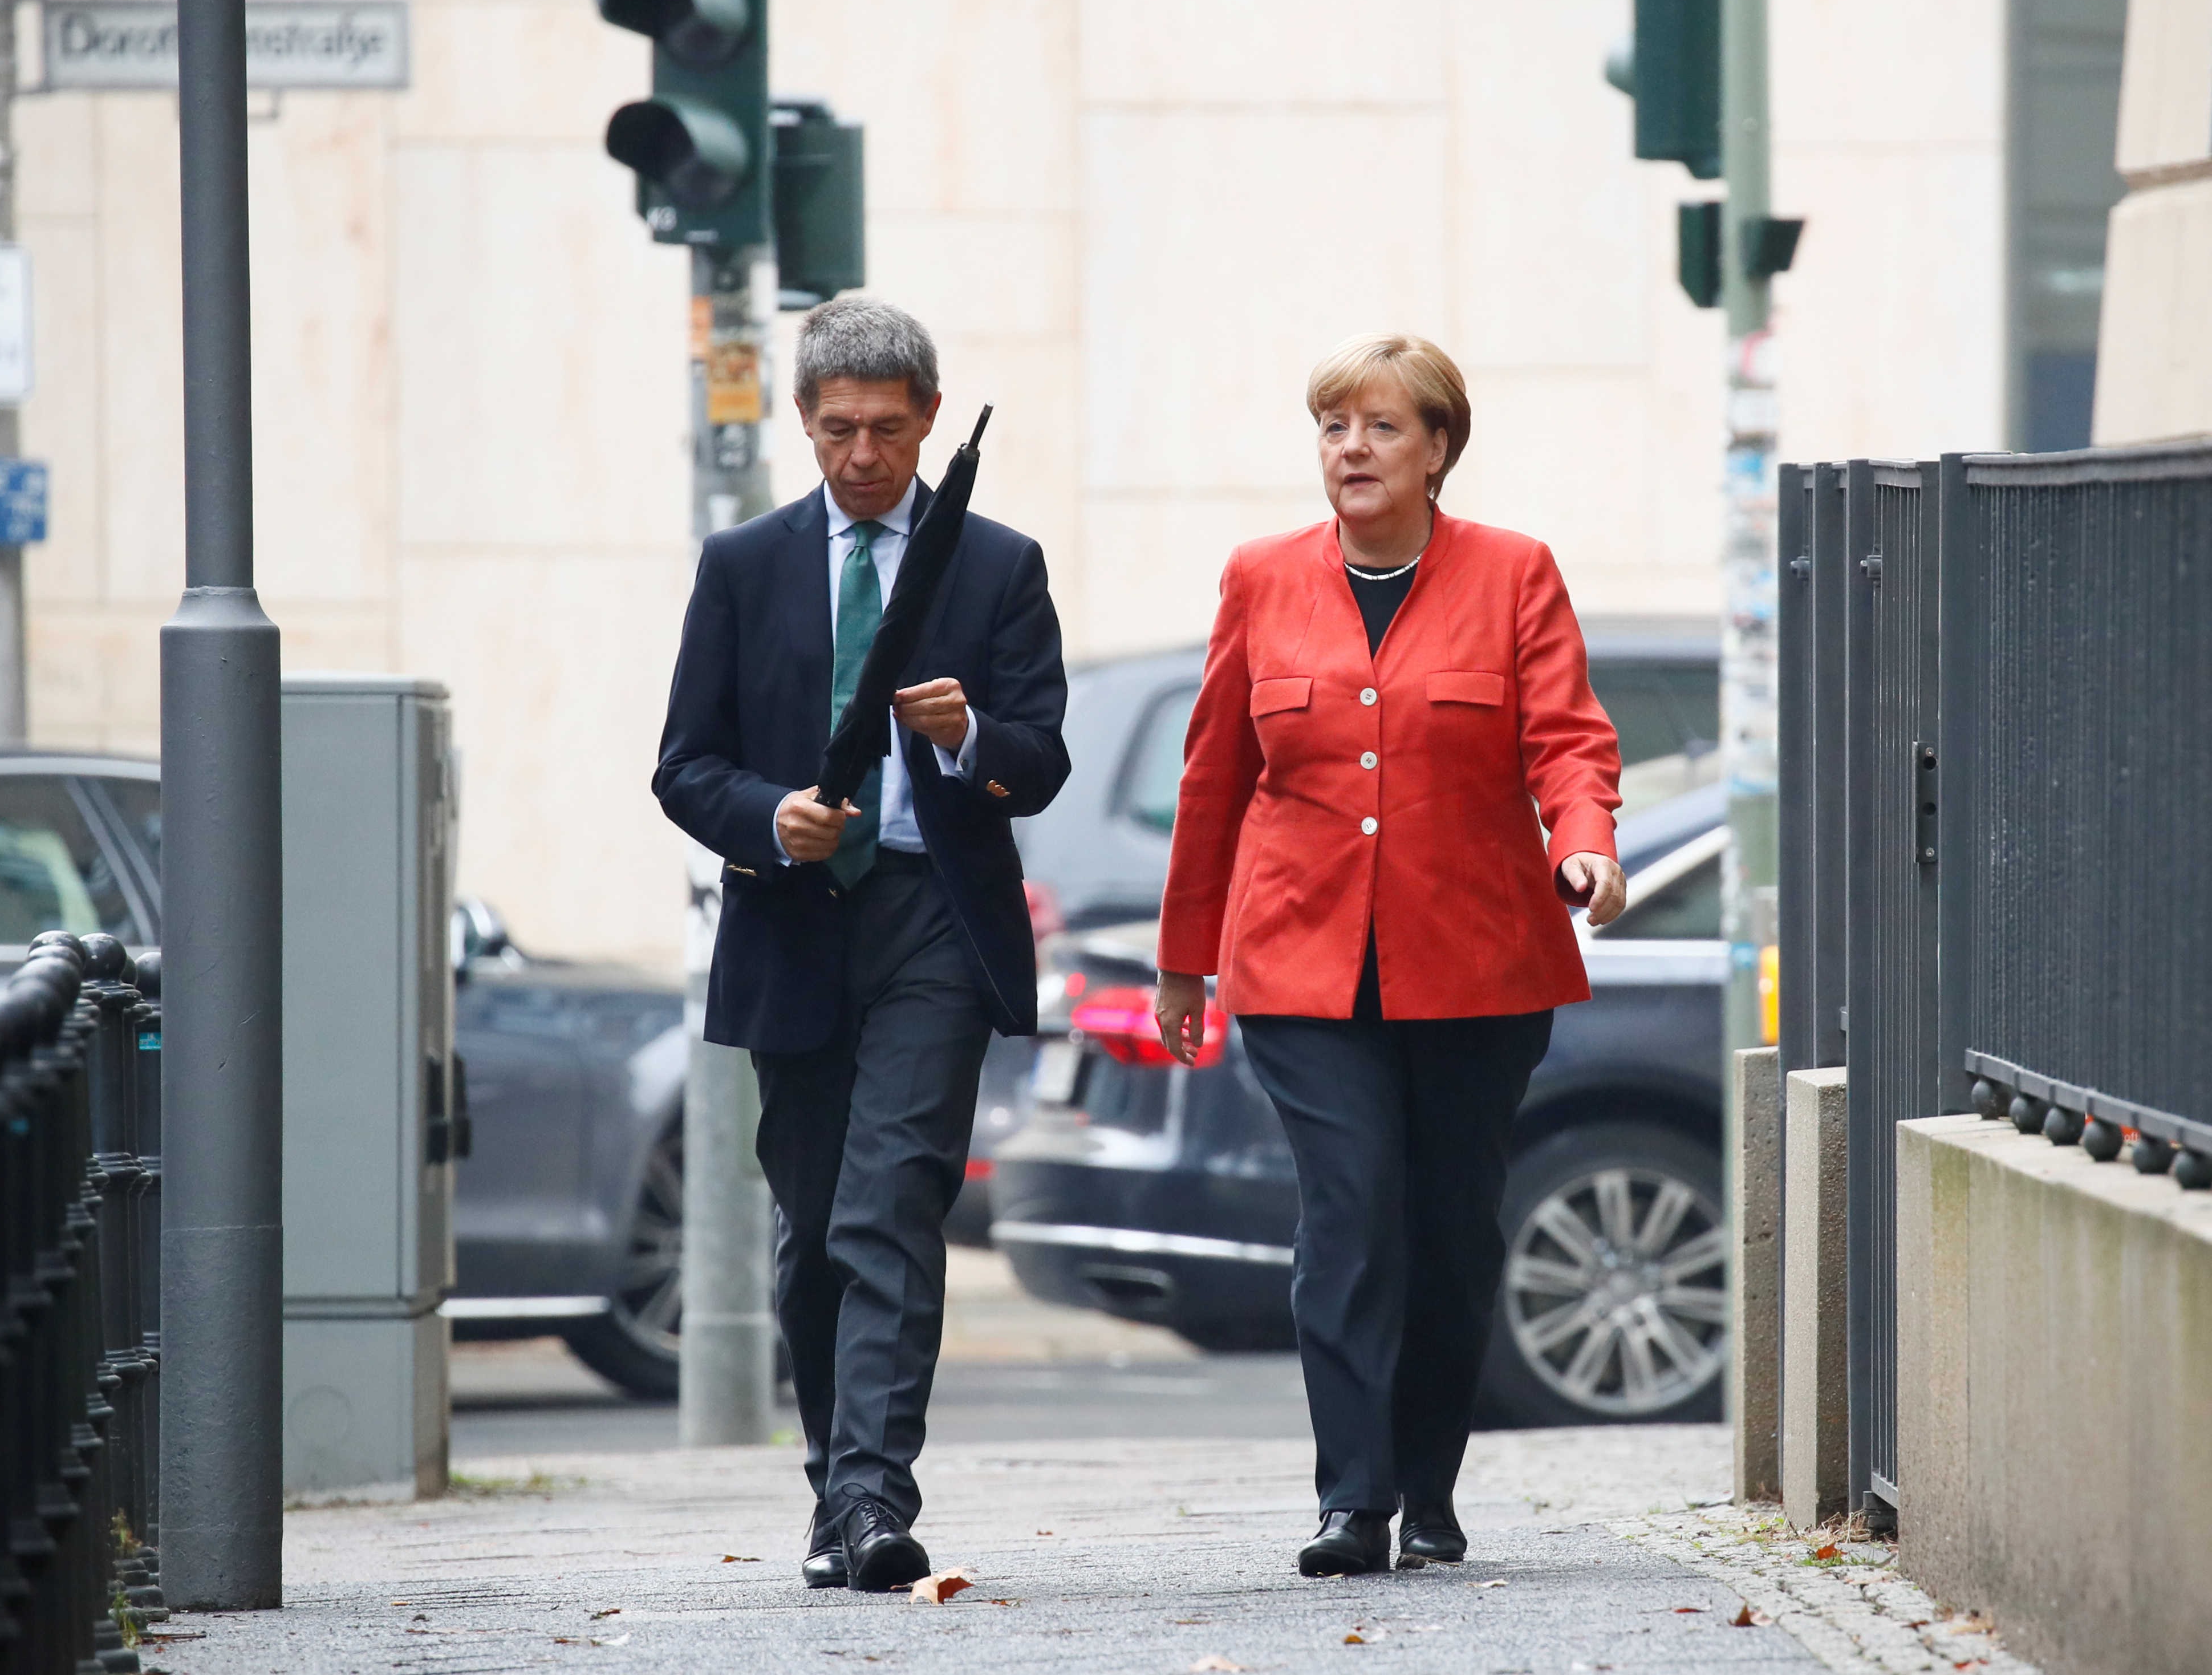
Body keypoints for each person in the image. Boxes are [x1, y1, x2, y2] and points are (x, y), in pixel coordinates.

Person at [1152, 332, 1624, 1578]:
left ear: (1438, 452)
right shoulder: (1261, 578)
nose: (1351, 451)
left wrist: (1585, 844)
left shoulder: (1515, 574)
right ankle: (1353, 1500)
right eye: (1332, 429)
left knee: (1452, 1230)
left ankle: (1430, 1486)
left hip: (1479, 960)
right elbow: (1215, 781)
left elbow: (1570, 742)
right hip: (1303, 963)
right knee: (1352, 1210)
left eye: (1380, 429)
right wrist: (1185, 960)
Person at [654, 297, 1068, 1592]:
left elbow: (1041, 759)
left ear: (931, 421)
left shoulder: (994, 564)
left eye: (890, 430)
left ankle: (880, 1500)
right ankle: (838, 1491)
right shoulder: (746, 567)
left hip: (933, 917)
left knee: (894, 1205)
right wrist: (769, 818)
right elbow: (684, 766)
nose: (864, 457)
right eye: (839, 431)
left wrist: (964, 739)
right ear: (804, 424)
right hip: (794, 921)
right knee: (817, 1224)